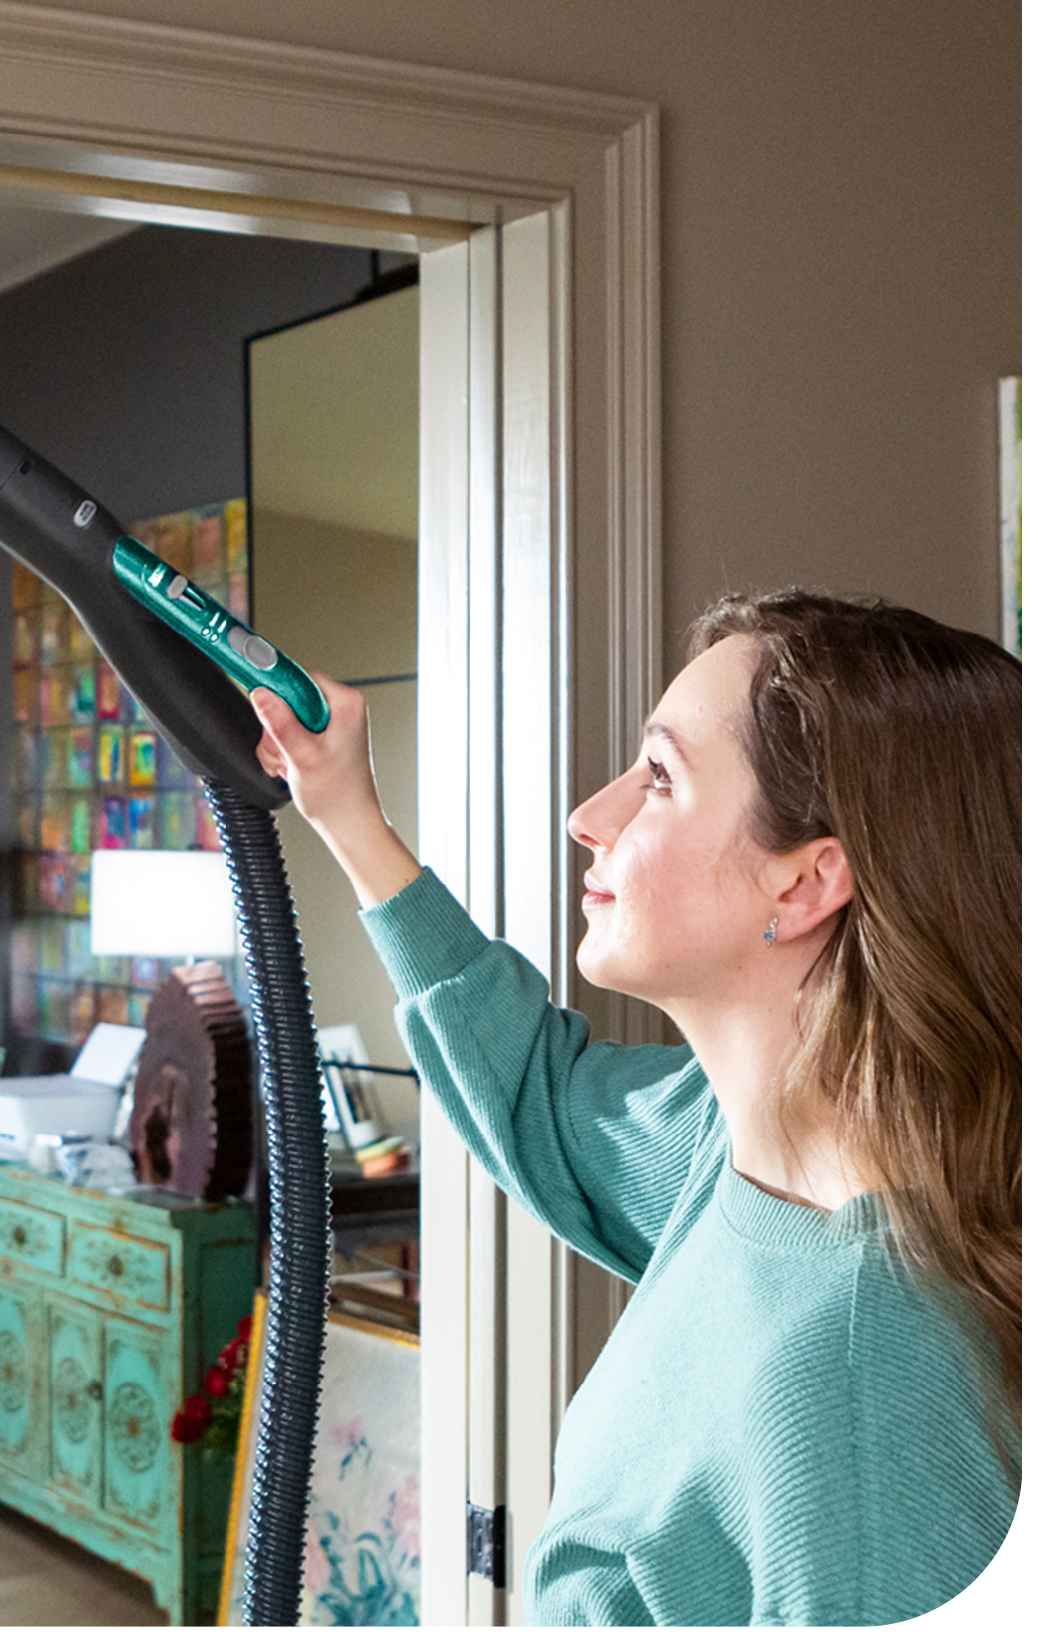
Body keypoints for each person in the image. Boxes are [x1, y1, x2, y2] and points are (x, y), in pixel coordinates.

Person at [250, 589, 1019, 1625]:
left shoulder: (862, 1381)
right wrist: (346, 809)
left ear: (801, 886)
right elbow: (538, 1091)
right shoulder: (731, 1152)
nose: (590, 817)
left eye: (658, 778)